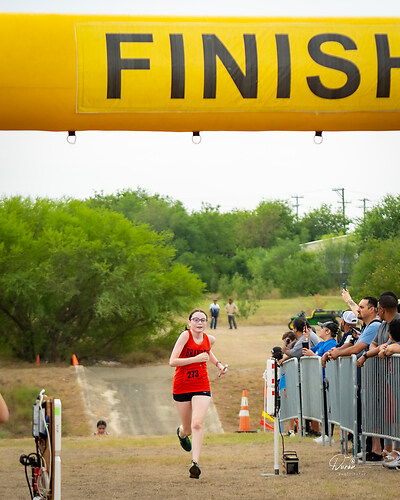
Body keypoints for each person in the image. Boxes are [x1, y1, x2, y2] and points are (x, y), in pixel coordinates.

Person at [169, 309, 228, 479]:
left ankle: (195, 463)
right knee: (188, 429)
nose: (199, 323)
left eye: (203, 320)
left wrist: (219, 365)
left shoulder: (210, 339)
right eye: (196, 319)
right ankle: (181, 432)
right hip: (182, 386)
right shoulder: (185, 336)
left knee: (197, 424)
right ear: (189, 322)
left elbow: (207, 352)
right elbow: (172, 361)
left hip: (201, 385)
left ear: (207, 322)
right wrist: (195, 359)